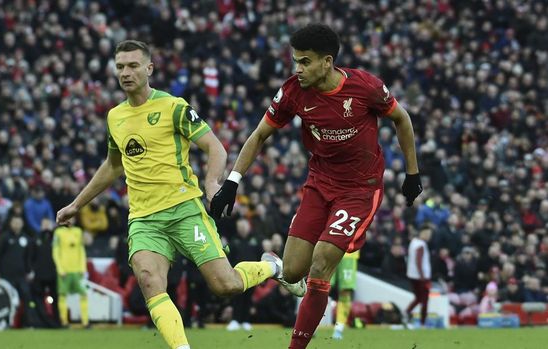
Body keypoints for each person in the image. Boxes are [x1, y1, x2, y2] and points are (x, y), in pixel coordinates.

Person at [55, 40, 298, 349]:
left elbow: (215, 147)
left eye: (132, 65)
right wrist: (77, 204)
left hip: (184, 209)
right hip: (144, 219)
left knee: (226, 285)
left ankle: (273, 267)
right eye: (120, 67)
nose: (125, 73)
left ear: (149, 68)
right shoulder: (115, 117)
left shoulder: (173, 107)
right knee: (148, 279)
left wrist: (212, 184)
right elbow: (113, 165)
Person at [210, 24, 422, 349]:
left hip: (359, 190)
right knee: (294, 272)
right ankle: (279, 267)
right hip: (319, 184)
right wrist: (232, 182)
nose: (298, 69)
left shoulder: (366, 87)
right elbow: (259, 134)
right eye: (296, 61)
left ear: (327, 62)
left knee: (322, 261)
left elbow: (402, 119)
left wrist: (411, 173)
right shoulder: (293, 91)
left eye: (305, 61)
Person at [52, 219, 89, 328]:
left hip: (78, 270)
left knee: (84, 294)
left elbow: (81, 250)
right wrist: (60, 269)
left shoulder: (78, 231)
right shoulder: (58, 233)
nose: (71, 220)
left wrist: (83, 267)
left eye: (72, 217)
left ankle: (85, 322)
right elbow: (55, 251)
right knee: (63, 295)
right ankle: (64, 322)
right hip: (64, 270)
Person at [406, 225, 433, 327]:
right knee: (424, 300)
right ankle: (423, 322)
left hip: (412, 275)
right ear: (423, 233)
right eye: (428, 234)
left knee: (418, 298)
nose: (429, 236)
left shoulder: (413, 242)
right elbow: (419, 261)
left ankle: (407, 312)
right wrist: (423, 277)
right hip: (421, 277)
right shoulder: (421, 245)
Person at [330, 250, 361, 340]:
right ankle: (311, 326)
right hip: (328, 249)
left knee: (345, 290)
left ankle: (338, 329)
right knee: (322, 287)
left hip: (349, 252)